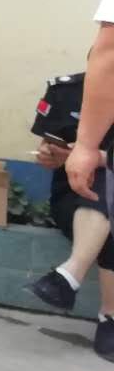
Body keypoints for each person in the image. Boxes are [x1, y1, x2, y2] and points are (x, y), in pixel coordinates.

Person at [28, 139, 114, 359]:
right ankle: (110, 317)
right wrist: (49, 153)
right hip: (75, 196)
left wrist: (96, 157)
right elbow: (51, 140)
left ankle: (69, 276)